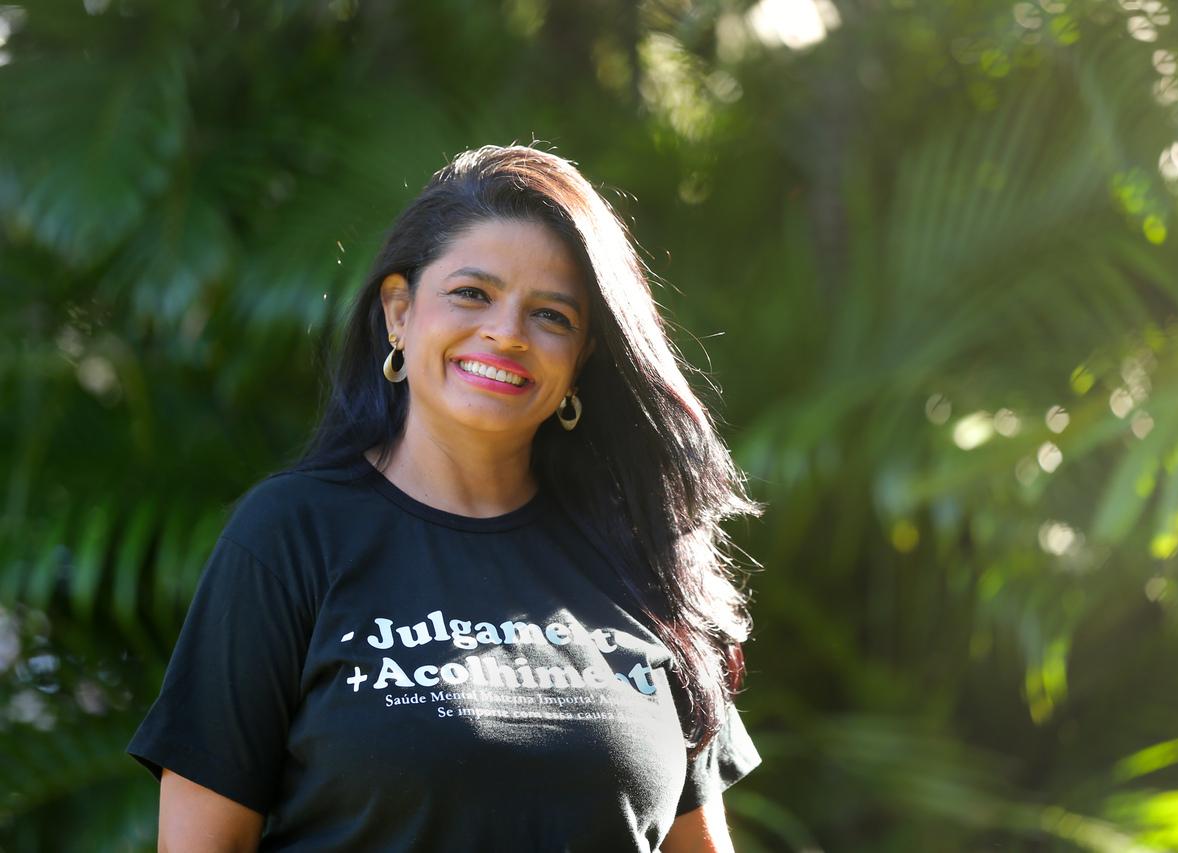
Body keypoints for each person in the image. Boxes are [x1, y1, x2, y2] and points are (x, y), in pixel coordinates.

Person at [127, 143, 764, 851]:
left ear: (582, 356)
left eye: (551, 315)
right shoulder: (291, 537)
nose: (506, 333)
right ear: (398, 312)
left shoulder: (637, 553)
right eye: (472, 293)